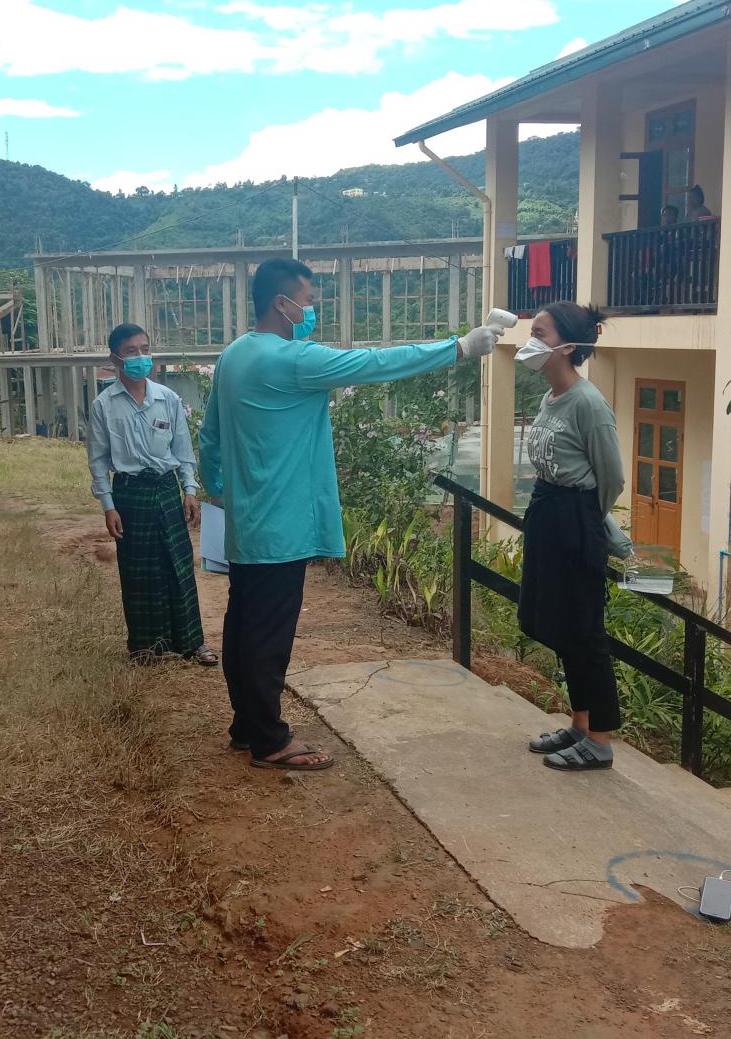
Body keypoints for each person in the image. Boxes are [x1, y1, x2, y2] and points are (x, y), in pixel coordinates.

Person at [198, 259, 504, 772]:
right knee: (269, 635)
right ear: (282, 303)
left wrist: (225, 491)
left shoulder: (234, 354)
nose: (312, 310)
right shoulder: (290, 359)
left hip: (249, 520)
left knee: (244, 625)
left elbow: (210, 435)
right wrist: (458, 348)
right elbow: (374, 364)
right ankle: (269, 740)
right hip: (283, 524)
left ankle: (247, 725)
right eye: (308, 300)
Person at [516, 302, 632, 772]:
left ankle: (599, 741)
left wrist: (586, 521)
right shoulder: (550, 398)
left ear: (566, 346)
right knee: (557, 624)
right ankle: (580, 725)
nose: (531, 340)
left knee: (584, 630)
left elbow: (612, 478)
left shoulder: (589, 403)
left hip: (576, 519)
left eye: (540, 333)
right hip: (548, 512)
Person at [88, 323, 218, 666]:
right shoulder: (104, 405)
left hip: (165, 488)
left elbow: (183, 449)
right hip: (130, 493)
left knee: (179, 565)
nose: (141, 357)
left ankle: (192, 642)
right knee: (138, 570)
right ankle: (147, 648)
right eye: (131, 351)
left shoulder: (167, 398)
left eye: (145, 349)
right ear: (114, 358)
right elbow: (98, 460)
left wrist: (190, 490)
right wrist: (108, 506)